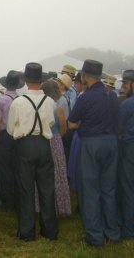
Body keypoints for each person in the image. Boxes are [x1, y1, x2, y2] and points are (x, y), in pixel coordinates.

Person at [68, 59, 120, 246]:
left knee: (90, 190)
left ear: (85, 76)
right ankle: (112, 233)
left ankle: (95, 236)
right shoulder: (111, 94)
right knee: (109, 189)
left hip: (91, 143)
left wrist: (84, 124)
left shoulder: (85, 97)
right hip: (111, 142)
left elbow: (71, 123)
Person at [7, 62, 58, 241]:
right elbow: (51, 123)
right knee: (46, 189)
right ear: (40, 80)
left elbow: (10, 129)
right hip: (44, 144)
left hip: (25, 145)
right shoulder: (50, 101)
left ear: (26, 81)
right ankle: (49, 230)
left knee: (25, 189)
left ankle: (27, 231)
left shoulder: (18, 102)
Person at [0, 70, 25, 211]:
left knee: (4, 168)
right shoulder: (21, 100)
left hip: (4, 135)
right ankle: (17, 197)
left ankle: (7, 200)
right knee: (16, 166)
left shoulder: (1, 100)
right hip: (17, 135)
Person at [40, 79, 71, 217]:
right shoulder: (58, 108)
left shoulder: (41, 107)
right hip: (56, 141)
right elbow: (64, 129)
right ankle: (60, 206)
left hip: (43, 141)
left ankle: (42, 206)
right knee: (58, 175)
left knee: (42, 175)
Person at [118, 70, 134, 238]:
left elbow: (118, 126)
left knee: (128, 188)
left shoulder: (127, 104)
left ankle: (128, 229)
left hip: (129, 148)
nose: (123, 86)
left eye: (126, 83)